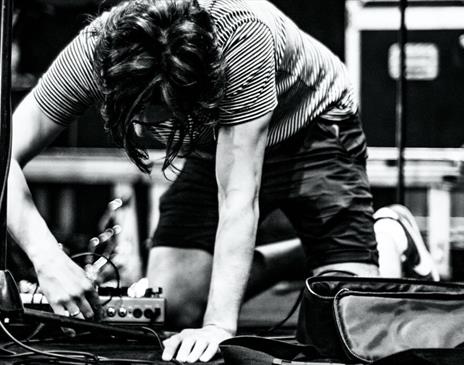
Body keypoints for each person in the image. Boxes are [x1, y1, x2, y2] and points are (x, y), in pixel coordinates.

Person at [7, 0, 438, 362]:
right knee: (174, 305)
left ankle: (385, 237)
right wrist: (47, 258)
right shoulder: (97, 51)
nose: (152, 129)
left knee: (345, 319)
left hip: (315, 123)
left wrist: (217, 327)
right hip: (213, 134)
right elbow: (5, 152)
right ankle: (304, 252)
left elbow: (238, 197)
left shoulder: (241, 41)